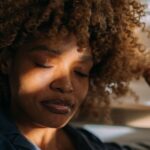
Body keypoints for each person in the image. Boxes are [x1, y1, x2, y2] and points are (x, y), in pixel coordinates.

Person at [0, 0, 147, 150]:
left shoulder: (88, 143)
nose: (66, 86)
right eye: (45, 63)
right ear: (6, 61)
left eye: (81, 72)